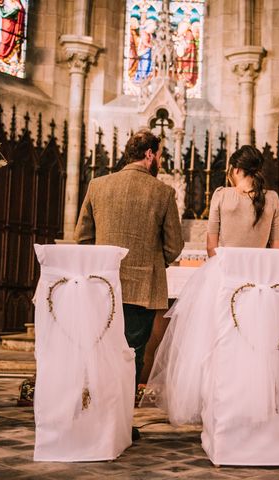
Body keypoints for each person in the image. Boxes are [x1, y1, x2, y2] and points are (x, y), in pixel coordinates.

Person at [144, 144, 279, 436]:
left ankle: (225, 408)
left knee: (218, 347)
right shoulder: (271, 198)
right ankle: (260, 406)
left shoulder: (222, 195)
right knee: (261, 347)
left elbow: (212, 247)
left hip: (225, 281)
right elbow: (276, 248)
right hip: (262, 285)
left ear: (235, 169)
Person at [74, 130, 184, 440]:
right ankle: (119, 421)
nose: (159, 160)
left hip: (101, 289)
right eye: (159, 154)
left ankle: (95, 416)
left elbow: (82, 238)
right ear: (149, 154)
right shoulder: (162, 192)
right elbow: (174, 247)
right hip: (142, 290)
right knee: (132, 355)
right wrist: (151, 259)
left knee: (100, 350)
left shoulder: (98, 186)